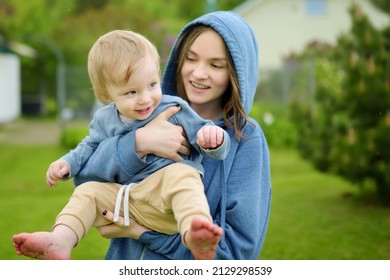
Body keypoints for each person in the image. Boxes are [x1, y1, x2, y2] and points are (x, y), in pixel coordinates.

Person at [12, 29, 229, 260]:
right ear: (107, 94)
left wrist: (213, 137)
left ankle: (195, 233)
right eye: (131, 92)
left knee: (182, 175)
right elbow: (89, 146)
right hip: (124, 202)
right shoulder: (104, 119)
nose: (145, 98)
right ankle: (61, 239)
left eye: (152, 85)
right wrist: (67, 163)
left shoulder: (173, 107)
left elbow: (202, 131)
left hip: (165, 202)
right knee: (87, 191)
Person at [77, 11, 272, 260]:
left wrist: (140, 231)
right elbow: (83, 180)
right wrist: (138, 143)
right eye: (191, 59)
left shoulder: (246, 139)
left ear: (236, 72)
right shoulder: (141, 112)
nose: (199, 73)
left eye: (216, 65)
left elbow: (234, 255)